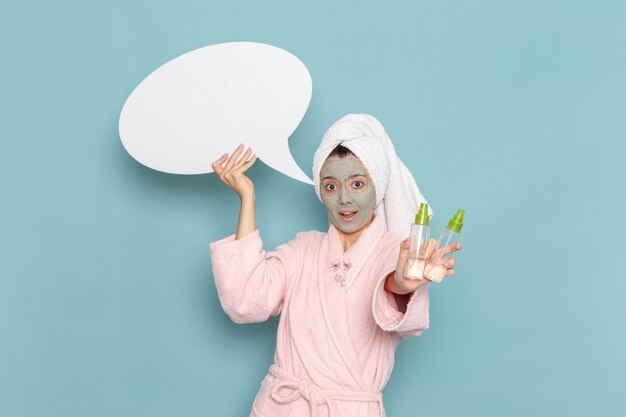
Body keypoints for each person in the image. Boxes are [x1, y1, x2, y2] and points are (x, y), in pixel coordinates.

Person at [209, 114, 461, 417]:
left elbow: (393, 286)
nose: (343, 198)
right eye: (330, 186)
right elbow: (245, 301)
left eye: (357, 183)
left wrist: (402, 284)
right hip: (283, 407)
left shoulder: (399, 253)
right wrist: (247, 198)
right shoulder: (302, 249)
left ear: (377, 187)